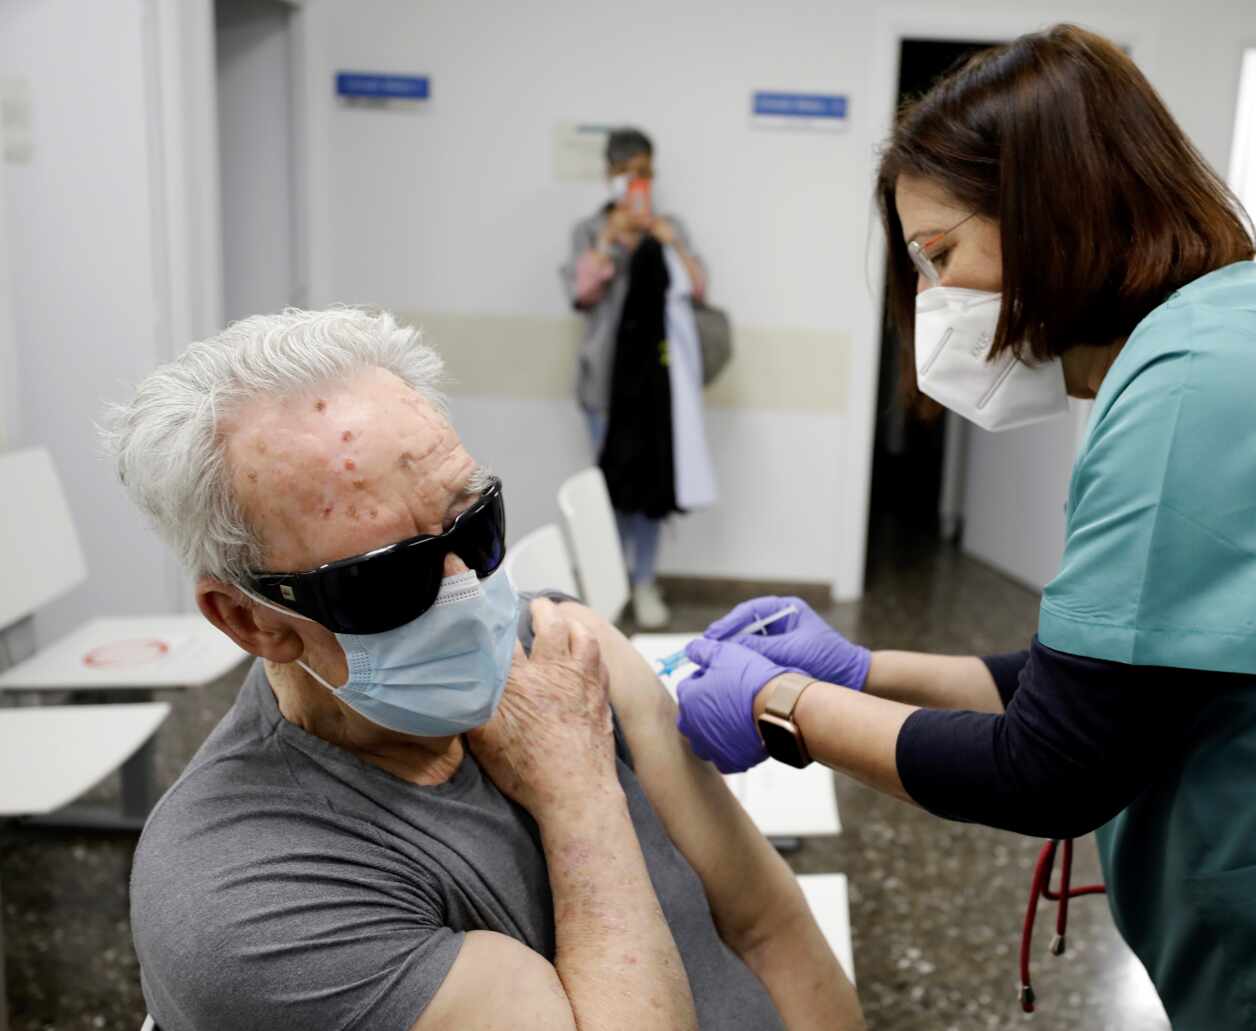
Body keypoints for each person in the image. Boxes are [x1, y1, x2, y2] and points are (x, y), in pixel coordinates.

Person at [674, 24, 1256, 1030]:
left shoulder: (1204, 384)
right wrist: (861, 670)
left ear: (1054, 213)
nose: (937, 301)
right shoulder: (1219, 346)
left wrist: (784, 705)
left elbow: (1055, 762)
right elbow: (1096, 673)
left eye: (942, 256)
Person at [104, 308, 861, 1031]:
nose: (464, 588)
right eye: (388, 578)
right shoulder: (245, 900)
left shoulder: (561, 647)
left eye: (475, 522)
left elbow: (768, 926)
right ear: (250, 618)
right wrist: (580, 789)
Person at [563, 127, 715, 629]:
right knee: (608, 494)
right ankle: (609, 588)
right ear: (609, 175)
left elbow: (699, 289)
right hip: (603, 390)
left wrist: (669, 244)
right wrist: (608, 244)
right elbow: (581, 295)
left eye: (646, 172)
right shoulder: (590, 230)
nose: (637, 181)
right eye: (628, 172)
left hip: (657, 391)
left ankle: (645, 581)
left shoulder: (670, 228)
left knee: (650, 494)